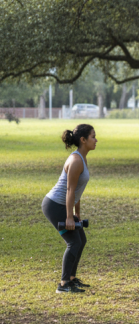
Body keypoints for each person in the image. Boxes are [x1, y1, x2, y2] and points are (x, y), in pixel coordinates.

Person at [42, 124, 97, 293]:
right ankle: (63, 284)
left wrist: (77, 214)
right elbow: (70, 190)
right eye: (93, 137)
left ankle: (72, 279)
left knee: (81, 240)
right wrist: (68, 217)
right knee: (73, 242)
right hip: (55, 205)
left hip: (64, 204)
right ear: (83, 140)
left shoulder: (82, 157)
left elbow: (77, 191)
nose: (96, 140)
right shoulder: (75, 160)